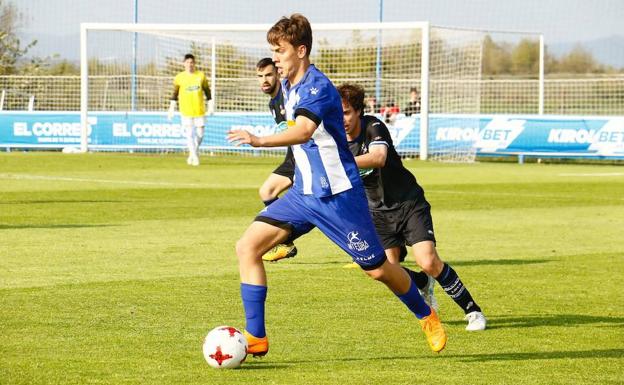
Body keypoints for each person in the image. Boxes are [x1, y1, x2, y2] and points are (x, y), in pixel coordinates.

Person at [227, 14, 447, 356]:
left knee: (378, 270)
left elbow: (302, 131)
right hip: (303, 195)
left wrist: (258, 141)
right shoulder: (286, 83)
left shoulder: (318, 87)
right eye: (272, 51)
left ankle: (426, 314)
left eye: (280, 51)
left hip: (340, 198)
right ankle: (256, 337)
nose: (275, 59)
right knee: (247, 248)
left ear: (301, 51)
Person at [337, 82, 487, 331]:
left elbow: (379, 158)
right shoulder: (336, 140)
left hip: (408, 203)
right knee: (384, 270)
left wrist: (342, 164)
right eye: (337, 113)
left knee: (428, 261)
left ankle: (473, 311)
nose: (341, 119)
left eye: (346, 112)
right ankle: (422, 283)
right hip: (377, 212)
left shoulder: (373, 126)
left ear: (358, 111)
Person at [255, 57, 298, 262]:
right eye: (260, 76)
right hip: (293, 157)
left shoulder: (288, 94)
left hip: (308, 156)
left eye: (269, 75)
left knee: (331, 205)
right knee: (267, 191)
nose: (264, 80)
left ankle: (363, 249)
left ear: (278, 74)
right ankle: (286, 244)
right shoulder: (273, 102)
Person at [168, 53, 212, 166]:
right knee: (189, 134)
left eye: (191, 62)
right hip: (186, 110)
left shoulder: (201, 76)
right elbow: (175, 93)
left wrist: (210, 106)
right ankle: (194, 156)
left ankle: (193, 153)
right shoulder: (179, 77)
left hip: (199, 110)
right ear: (184, 64)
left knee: (200, 134)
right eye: (187, 62)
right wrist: (171, 108)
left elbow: (207, 91)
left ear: (194, 63)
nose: (190, 64)